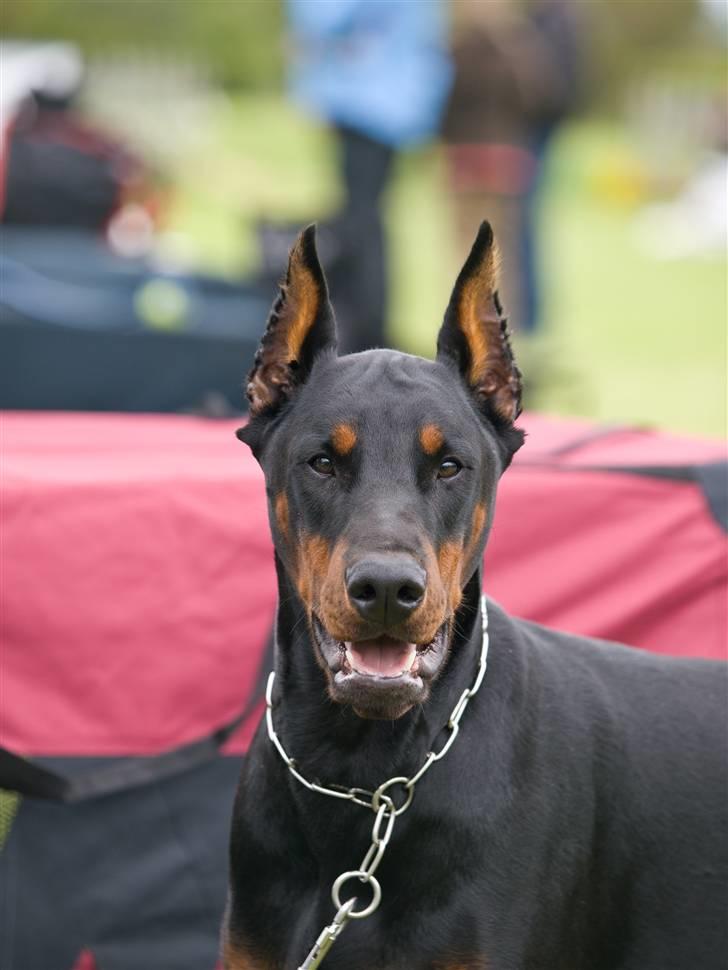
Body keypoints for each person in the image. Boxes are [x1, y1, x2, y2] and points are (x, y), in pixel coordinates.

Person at [286, 0, 451, 352]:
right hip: (395, 102)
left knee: (361, 221)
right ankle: (368, 324)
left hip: (367, 103)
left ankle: (366, 328)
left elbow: (323, 17)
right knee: (369, 218)